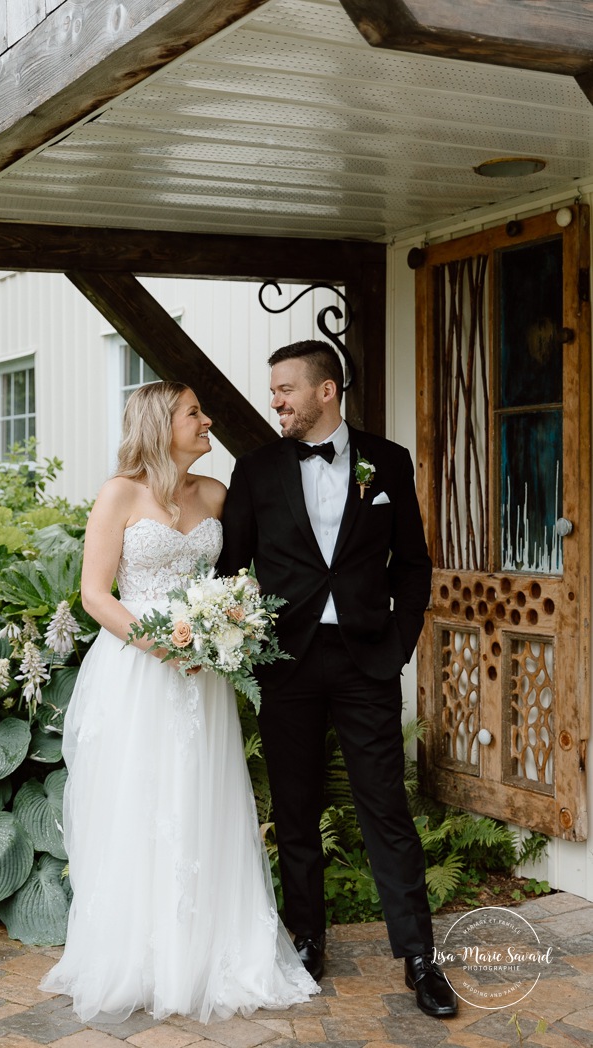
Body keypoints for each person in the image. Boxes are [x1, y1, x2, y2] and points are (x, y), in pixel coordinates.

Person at [40, 381, 319, 1023]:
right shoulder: (120, 494)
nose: (208, 420)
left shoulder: (218, 495)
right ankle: (140, 957)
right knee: (140, 802)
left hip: (205, 676)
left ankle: (210, 950)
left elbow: (240, 580)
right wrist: (160, 644)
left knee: (204, 799)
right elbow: (95, 594)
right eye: (195, 412)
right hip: (139, 672)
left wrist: (231, 625)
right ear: (161, 423)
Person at [217, 341, 458, 1019]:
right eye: (272, 391)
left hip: (364, 662)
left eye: (286, 389)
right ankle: (306, 941)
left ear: (327, 391)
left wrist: (398, 639)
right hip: (285, 662)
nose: (276, 401)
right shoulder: (256, 468)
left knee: (384, 807)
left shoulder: (387, 461)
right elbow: (228, 561)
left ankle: (418, 959)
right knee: (294, 809)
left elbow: (412, 563)